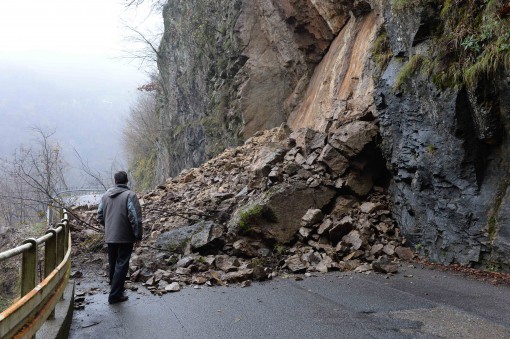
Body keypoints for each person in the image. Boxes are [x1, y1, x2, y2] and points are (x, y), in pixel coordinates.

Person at [97, 171, 143, 304]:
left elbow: (99, 214)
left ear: (115, 181)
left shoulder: (105, 196)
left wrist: (109, 226)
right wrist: (138, 235)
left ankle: (116, 288)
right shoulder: (130, 195)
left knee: (113, 262)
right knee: (122, 264)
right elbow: (135, 218)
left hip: (110, 235)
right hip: (125, 236)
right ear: (126, 181)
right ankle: (115, 295)